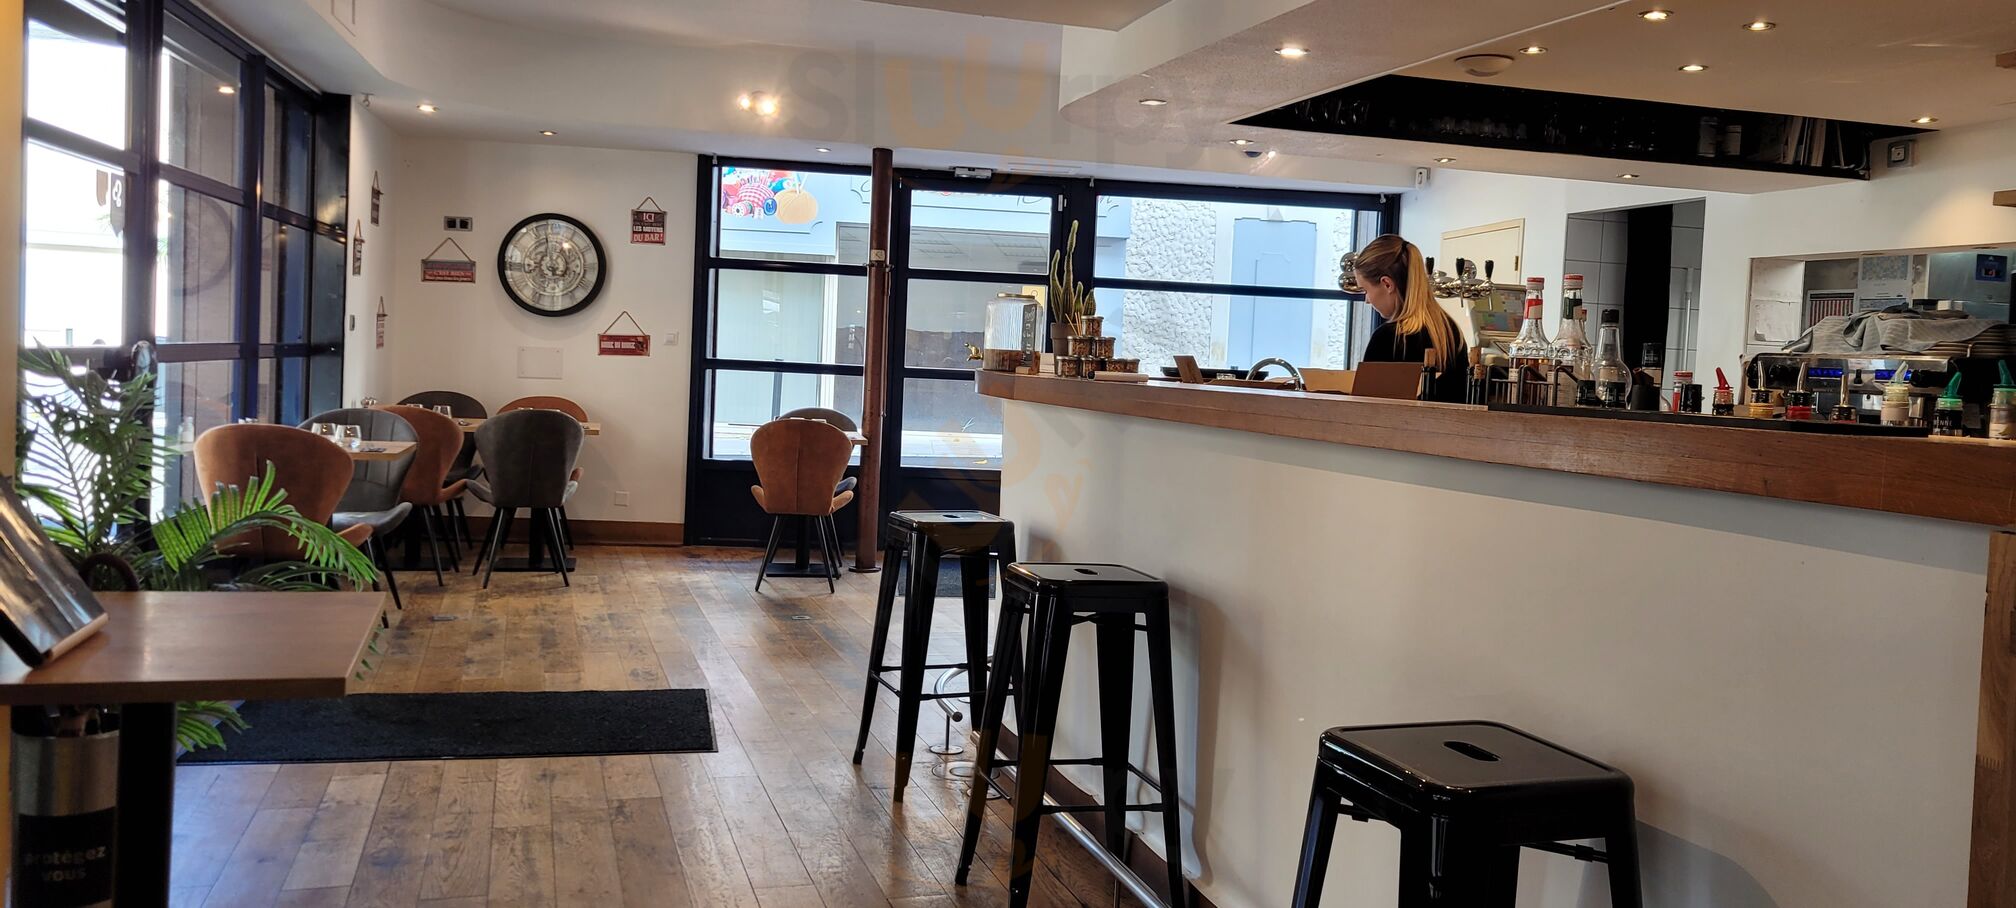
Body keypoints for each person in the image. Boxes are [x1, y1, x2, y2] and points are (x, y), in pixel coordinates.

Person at [1352, 234, 1470, 403]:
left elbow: (1367, 408)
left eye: (1366, 290)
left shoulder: (1387, 338)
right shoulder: (1450, 332)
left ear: (1387, 284)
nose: (1367, 300)